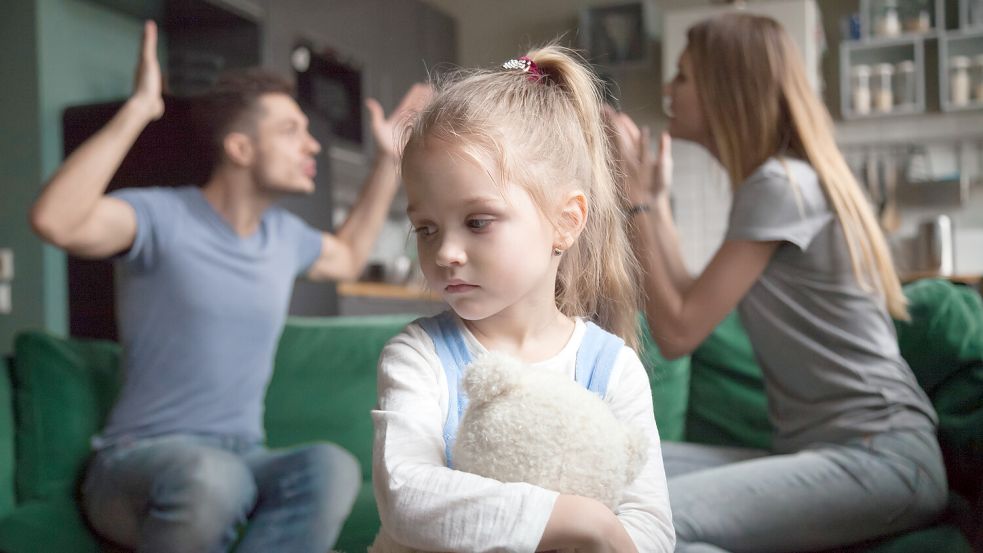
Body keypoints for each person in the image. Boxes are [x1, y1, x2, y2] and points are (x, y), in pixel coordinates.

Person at [29, 21, 430, 553]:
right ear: (240, 147)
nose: (312, 143)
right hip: (137, 462)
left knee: (330, 467)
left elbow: (350, 255)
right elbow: (57, 220)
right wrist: (140, 110)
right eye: (291, 130)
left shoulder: (283, 236)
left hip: (244, 455)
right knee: (213, 478)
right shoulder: (162, 216)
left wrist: (387, 159)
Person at [607, 12, 947, 553]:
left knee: (644, 522)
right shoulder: (777, 183)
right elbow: (687, 295)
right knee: (608, 468)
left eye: (683, 76)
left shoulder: (780, 184)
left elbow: (676, 331)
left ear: (726, 89)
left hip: (882, 459)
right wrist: (656, 199)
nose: (669, 88)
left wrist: (635, 200)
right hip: (825, 454)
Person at [370, 45, 675, 553]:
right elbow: (406, 494)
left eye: (478, 222)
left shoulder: (613, 369)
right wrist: (581, 521)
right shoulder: (418, 356)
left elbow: (650, 528)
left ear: (566, 221)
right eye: (425, 228)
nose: (445, 252)